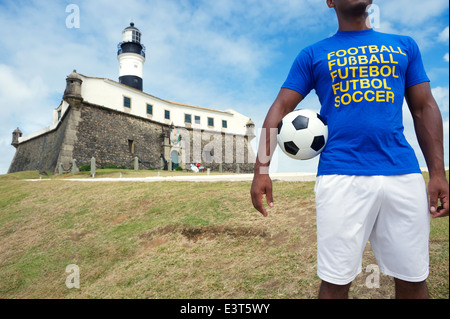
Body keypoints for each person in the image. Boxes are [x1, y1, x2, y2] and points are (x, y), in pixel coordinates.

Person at [250, 0, 449, 299]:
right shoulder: (313, 54)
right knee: (335, 282)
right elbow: (281, 106)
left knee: (413, 279)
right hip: (340, 176)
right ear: (329, 1)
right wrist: (261, 168)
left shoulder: (404, 45)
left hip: (403, 174)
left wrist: (438, 173)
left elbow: (423, 107)